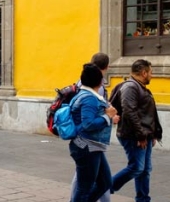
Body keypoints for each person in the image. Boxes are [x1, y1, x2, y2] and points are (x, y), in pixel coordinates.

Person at [110, 59, 163, 202]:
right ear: (144, 73)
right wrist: (140, 135)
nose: (152, 75)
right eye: (151, 72)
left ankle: (143, 199)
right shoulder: (131, 87)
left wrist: (152, 134)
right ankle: (105, 187)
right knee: (136, 168)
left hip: (144, 134)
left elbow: (147, 114)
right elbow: (129, 112)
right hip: (133, 135)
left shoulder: (140, 87)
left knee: (145, 170)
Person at [69, 64, 119, 202]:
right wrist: (107, 116)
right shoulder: (88, 98)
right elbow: (88, 124)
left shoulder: (88, 94)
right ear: (99, 81)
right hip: (86, 147)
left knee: (105, 182)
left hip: (93, 146)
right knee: (84, 188)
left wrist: (108, 115)